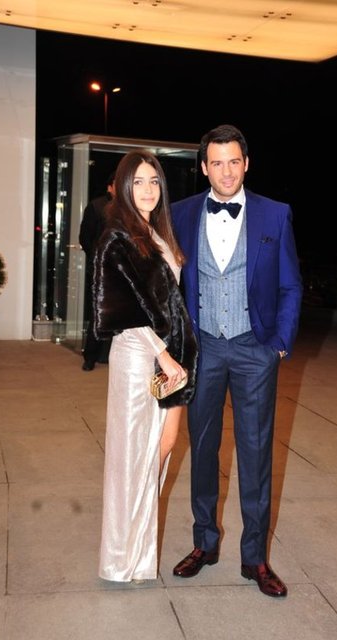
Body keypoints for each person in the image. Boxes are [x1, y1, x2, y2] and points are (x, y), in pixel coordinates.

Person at [171, 124, 303, 597]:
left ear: (246, 164)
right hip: (203, 347)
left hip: (254, 348)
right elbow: (167, 284)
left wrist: (278, 344)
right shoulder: (180, 213)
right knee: (202, 451)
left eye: (233, 161)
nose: (226, 172)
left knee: (255, 453)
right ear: (204, 167)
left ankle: (255, 559)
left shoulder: (275, 214)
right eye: (216, 163)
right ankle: (204, 544)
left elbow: (290, 284)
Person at [93, 150, 198, 583]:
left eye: (154, 180)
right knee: (132, 458)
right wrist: (163, 354)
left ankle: (138, 554)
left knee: (165, 444)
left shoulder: (158, 234)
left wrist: (176, 354)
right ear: (123, 187)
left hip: (170, 359)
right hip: (140, 358)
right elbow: (122, 311)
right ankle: (122, 561)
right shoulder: (116, 239)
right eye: (138, 181)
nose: (148, 189)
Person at [79, 171, 115, 371]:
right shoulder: (96, 206)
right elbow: (85, 238)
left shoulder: (129, 207)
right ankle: (90, 357)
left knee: (118, 313)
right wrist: (97, 257)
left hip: (122, 271)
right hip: (99, 270)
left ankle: (108, 355)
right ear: (110, 187)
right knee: (97, 313)